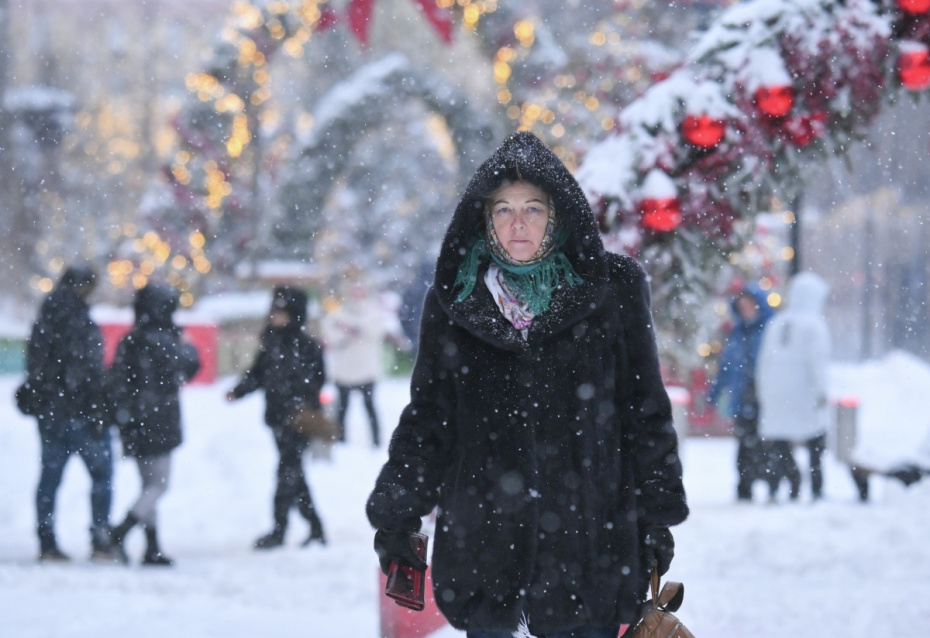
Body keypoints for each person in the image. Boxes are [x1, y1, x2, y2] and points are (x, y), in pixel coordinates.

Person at [365, 132, 688, 638]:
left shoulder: (614, 291)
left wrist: (656, 515)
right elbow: (429, 419)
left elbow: (644, 411)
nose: (518, 223)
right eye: (503, 210)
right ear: (484, 219)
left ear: (558, 216)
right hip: (485, 546)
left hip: (590, 546)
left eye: (534, 209)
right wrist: (397, 513)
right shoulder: (457, 304)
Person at [23, 265, 121, 562]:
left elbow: (36, 367)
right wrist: (98, 404)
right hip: (83, 413)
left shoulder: (46, 318)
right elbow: (89, 369)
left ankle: (46, 541)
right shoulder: (79, 320)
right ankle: (100, 540)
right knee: (102, 476)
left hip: (52, 413)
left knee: (50, 477)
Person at [226, 286, 327, 550]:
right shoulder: (271, 343)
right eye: (274, 312)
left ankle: (280, 529)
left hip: (300, 419)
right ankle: (315, 527)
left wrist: (300, 397)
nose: (276, 317)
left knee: (287, 473)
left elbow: (317, 379)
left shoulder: (306, 346)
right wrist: (238, 392)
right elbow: (257, 374)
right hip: (278, 419)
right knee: (293, 475)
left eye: (282, 313)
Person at [107, 282, 201, 566]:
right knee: (158, 486)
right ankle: (120, 532)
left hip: (134, 422)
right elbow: (189, 366)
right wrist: (187, 347)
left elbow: (117, 383)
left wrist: (123, 417)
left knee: (148, 484)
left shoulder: (131, 340)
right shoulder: (167, 341)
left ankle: (152, 546)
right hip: (159, 421)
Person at [756, 272, 832, 501]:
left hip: (776, 394)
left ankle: (778, 487)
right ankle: (816, 490)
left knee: (779, 444)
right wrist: (822, 392)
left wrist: (764, 392)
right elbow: (818, 362)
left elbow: (764, 360)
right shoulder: (815, 325)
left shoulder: (776, 322)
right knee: (815, 444)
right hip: (804, 395)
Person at [708, 285, 774, 502]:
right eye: (742, 305)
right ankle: (744, 488)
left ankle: (772, 486)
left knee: (769, 446)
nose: (745, 309)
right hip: (743, 400)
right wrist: (714, 394)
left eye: (749, 304)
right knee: (744, 446)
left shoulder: (770, 331)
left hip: (766, 400)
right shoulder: (736, 333)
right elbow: (726, 367)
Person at [320, 276, 388, 447]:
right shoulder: (338, 314)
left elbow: (376, 332)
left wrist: (355, 329)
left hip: (367, 370)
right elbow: (330, 335)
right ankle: (341, 441)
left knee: (370, 407)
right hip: (344, 370)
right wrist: (346, 334)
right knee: (342, 409)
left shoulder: (373, 313)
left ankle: (376, 441)